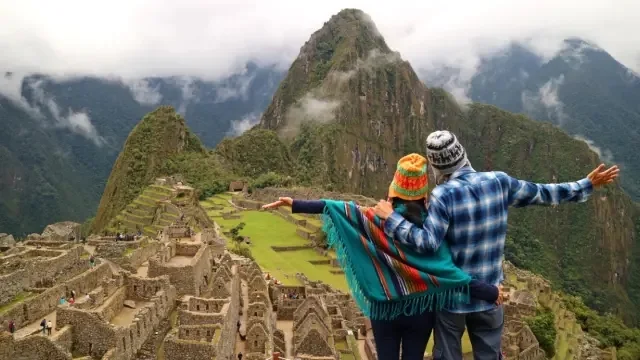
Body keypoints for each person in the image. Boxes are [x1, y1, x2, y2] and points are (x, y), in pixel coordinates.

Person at [371, 131, 620, 360]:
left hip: (453, 301)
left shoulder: (443, 195)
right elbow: (543, 193)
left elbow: (427, 243)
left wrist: (391, 218)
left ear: (435, 166)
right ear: (463, 154)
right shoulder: (499, 182)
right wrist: (585, 184)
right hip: (490, 296)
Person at [262, 154, 502, 360]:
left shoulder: (373, 219)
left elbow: (338, 208)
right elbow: (449, 273)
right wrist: (490, 292)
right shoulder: (432, 227)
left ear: (393, 189)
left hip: (383, 309)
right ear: (424, 194)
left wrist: (295, 203)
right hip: (420, 310)